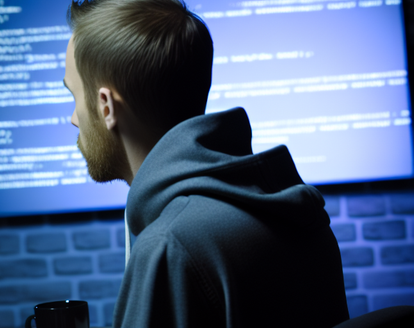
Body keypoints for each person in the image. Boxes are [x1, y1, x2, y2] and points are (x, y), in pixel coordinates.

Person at [63, 0, 350, 327]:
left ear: (105, 107)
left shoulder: (171, 248)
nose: (73, 119)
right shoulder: (294, 213)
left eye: (74, 96)